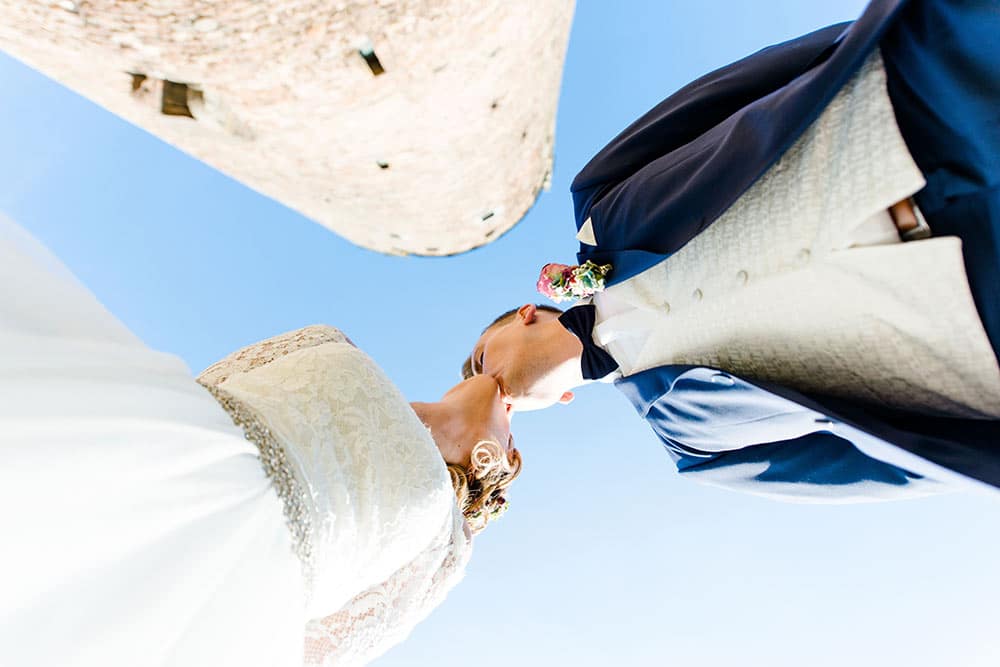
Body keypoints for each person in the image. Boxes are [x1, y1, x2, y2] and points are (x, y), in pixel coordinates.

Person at [467, 0, 1000, 501]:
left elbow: (742, 86)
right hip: (978, 328)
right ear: (557, 406)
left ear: (527, 315)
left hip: (941, 110)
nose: (485, 389)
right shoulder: (696, 449)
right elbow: (883, 466)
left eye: (480, 360)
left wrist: (890, 34)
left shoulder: (599, 204)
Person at [0, 213, 520, 667]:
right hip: (157, 452)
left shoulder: (445, 548)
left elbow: (325, 644)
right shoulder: (336, 345)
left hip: (216, 578)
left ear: (501, 457)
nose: (483, 371)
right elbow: (216, 384)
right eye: (480, 352)